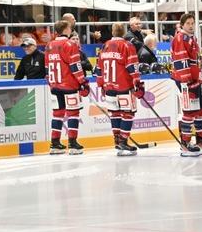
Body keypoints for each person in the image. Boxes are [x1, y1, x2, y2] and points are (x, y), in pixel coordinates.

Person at [95, 23, 144, 156]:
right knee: (128, 113)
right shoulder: (127, 45)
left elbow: (98, 69)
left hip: (109, 86)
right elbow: (132, 67)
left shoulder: (104, 46)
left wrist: (101, 86)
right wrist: (138, 84)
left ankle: (117, 141)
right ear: (123, 32)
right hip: (124, 86)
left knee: (115, 114)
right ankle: (123, 140)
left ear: (112, 31)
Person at [45, 20, 90, 155]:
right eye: (70, 27)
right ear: (65, 29)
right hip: (69, 85)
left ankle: (55, 143)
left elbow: (47, 68)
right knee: (73, 113)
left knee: (57, 114)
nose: (71, 30)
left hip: (55, 85)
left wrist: (51, 83)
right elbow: (75, 66)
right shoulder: (70, 44)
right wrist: (83, 82)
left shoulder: (49, 45)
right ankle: (72, 143)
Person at [171, 13, 202, 156]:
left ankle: (200, 140)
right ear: (182, 25)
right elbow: (180, 60)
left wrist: (200, 78)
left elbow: (197, 61)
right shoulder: (180, 38)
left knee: (201, 110)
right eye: (188, 23)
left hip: (195, 80)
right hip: (186, 81)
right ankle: (185, 144)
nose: (191, 25)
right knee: (189, 111)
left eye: (192, 23)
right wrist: (187, 80)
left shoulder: (192, 38)